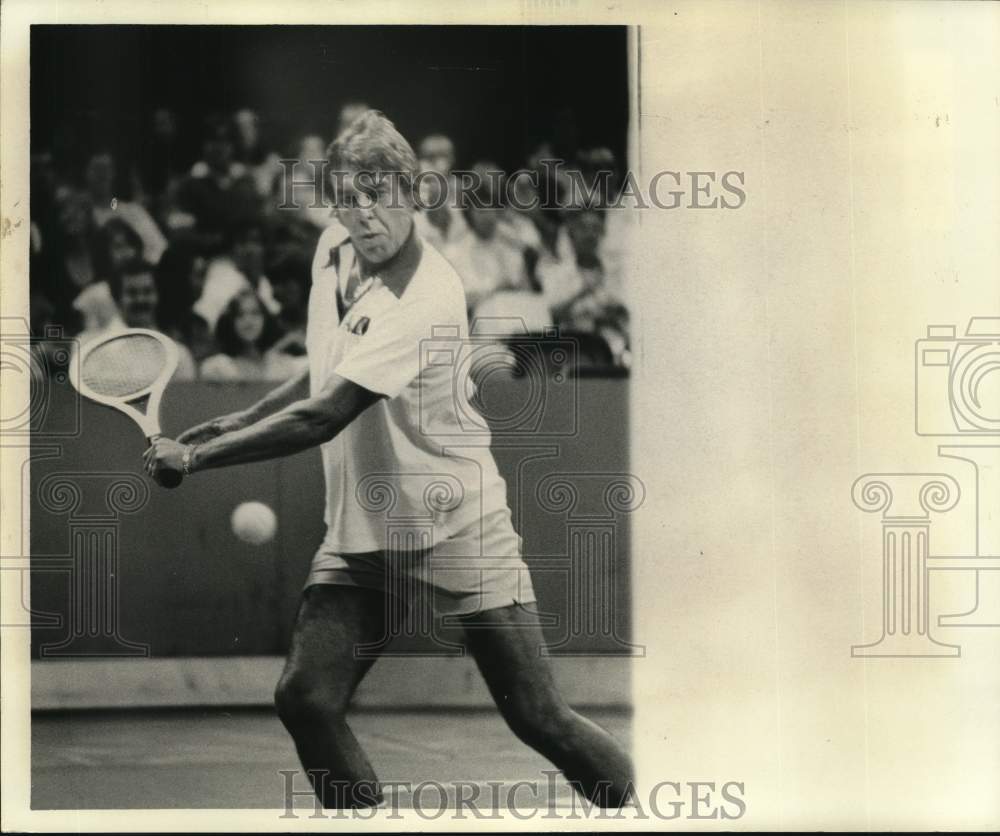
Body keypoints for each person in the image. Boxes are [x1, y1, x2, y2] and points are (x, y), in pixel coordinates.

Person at [144, 111, 633, 810]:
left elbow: (325, 413)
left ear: (414, 193)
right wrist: (246, 415)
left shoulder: (426, 293)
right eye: (348, 196)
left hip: (458, 522)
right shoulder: (331, 250)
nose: (364, 211)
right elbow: (330, 364)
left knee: (537, 715)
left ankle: (641, 809)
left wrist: (195, 458)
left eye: (379, 192)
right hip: (365, 530)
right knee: (306, 697)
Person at [98, 259, 197, 379]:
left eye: (147, 291)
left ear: (157, 295)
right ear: (117, 298)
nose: (141, 299)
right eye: (132, 293)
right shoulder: (96, 350)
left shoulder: (178, 355)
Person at [200, 288, 304, 381]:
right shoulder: (217, 368)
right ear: (230, 322)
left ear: (266, 319)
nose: (248, 321)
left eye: (255, 313)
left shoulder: (283, 365)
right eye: (240, 315)